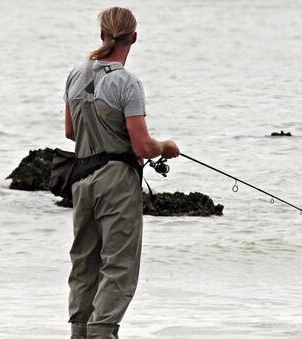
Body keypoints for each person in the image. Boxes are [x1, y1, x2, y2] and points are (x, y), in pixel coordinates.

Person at [63, 7, 180, 339]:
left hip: (82, 179)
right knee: (118, 265)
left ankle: (80, 332)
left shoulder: (75, 74)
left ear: (102, 35)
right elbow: (143, 146)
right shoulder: (126, 82)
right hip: (116, 182)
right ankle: (102, 332)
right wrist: (166, 147)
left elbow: (71, 132)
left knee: (84, 263)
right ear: (134, 38)